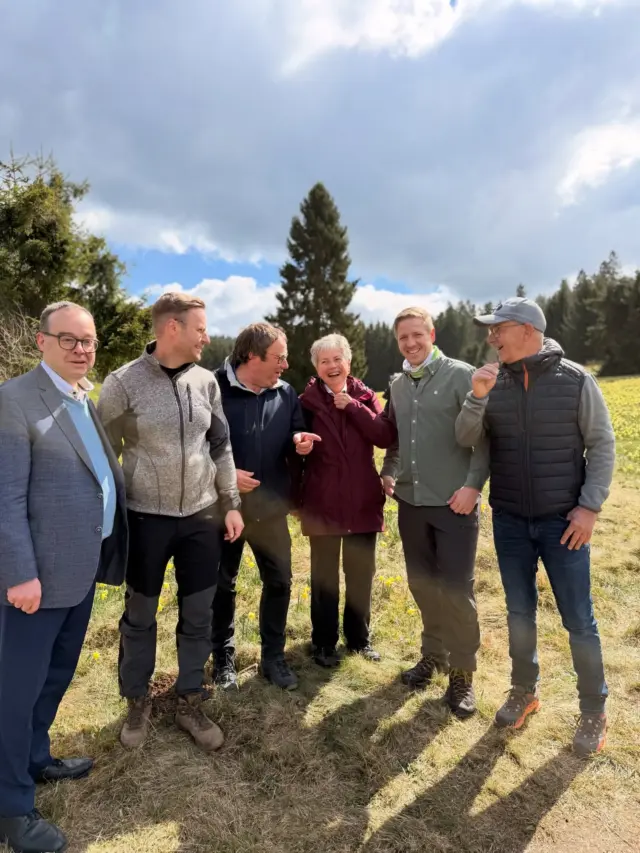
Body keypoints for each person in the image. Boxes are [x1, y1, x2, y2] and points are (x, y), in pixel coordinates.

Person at [456, 297, 615, 756]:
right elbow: (469, 441)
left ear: (526, 330)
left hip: (563, 523)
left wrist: (588, 509)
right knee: (518, 613)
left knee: (578, 620)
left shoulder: (576, 381)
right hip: (508, 520)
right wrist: (477, 397)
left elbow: (602, 445)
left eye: (497, 329)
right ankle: (524, 690)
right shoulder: (494, 382)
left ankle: (593, 709)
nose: (490, 338)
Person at [0, 302, 127, 853]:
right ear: (41, 341)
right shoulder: (14, 401)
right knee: (14, 693)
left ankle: (35, 759)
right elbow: (5, 498)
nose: (82, 348)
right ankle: (11, 810)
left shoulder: (83, 398)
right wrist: (20, 574)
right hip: (34, 585)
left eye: (89, 340)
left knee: (53, 678)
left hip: (77, 574)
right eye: (70, 339)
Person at [98, 292, 243, 753]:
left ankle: (189, 699)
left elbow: (220, 446)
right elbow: (104, 456)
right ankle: (136, 700)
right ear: (173, 328)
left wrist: (232, 502)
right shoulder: (123, 383)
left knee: (198, 613)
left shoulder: (206, 382)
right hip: (146, 519)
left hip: (202, 518)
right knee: (139, 616)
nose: (207, 336)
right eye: (200, 328)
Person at [381, 307, 489, 719]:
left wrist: (473, 487)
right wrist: (388, 472)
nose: (410, 344)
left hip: (454, 503)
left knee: (457, 590)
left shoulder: (462, 375)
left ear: (431, 333)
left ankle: (463, 675)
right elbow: (394, 440)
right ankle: (434, 655)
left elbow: (483, 441)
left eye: (416, 335)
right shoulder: (397, 384)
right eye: (403, 338)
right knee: (423, 584)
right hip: (410, 503)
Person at [211, 323, 320, 690]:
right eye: (279, 357)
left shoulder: (285, 393)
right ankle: (223, 660)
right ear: (251, 357)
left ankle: (273, 657)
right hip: (223, 509)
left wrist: (299, 441)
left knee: (279, 582)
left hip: (271, 509)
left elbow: (293, 432)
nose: (285, 365)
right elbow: (192, 447)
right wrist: (223, 474)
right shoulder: (212, 388)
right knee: (221, 586)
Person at [296, 334, 397, 667]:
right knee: (324, 577)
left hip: (362, 501)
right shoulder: (305, 401)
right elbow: (292, 442)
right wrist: (299, 444)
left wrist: (352, 407)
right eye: (324, 361)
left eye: (337, 359)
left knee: (360, 576)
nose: (331, 366)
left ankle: (359, 640)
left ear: (348, 363)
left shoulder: (366, 397)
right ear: (316, 367)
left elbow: (384, 436)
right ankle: (323, 643)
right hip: (322, 501)